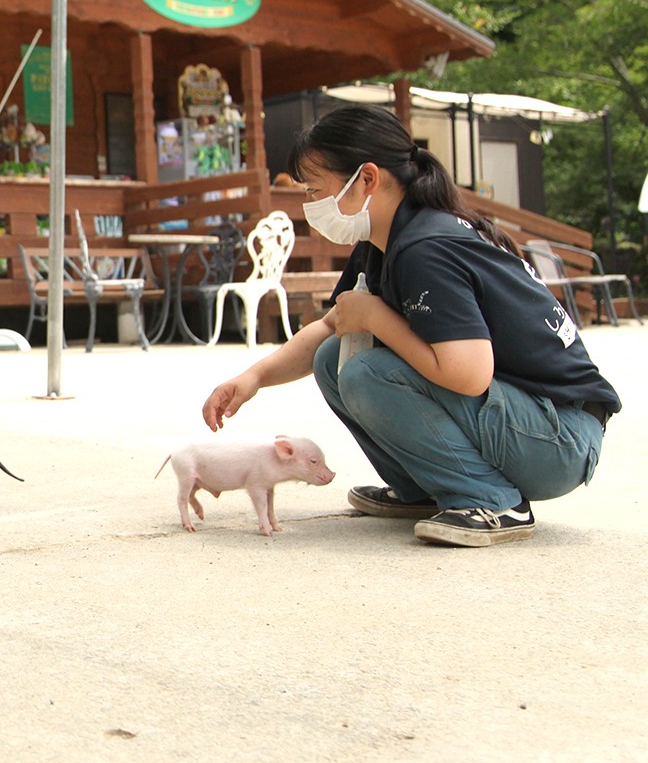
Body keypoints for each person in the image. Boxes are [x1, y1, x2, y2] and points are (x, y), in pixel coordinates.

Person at [202, 104, 619, 547]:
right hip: (532, 424)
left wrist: (377, 317)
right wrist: (254, 378)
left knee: (366, 370)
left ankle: (492, 500)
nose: (310, 205)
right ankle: (423, 490)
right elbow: (331, 326)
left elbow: (469, 372)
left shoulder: (427, 247)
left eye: (315, 190)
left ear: (366, 179)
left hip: (559, 440)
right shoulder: (385, 238)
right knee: (332, 358)